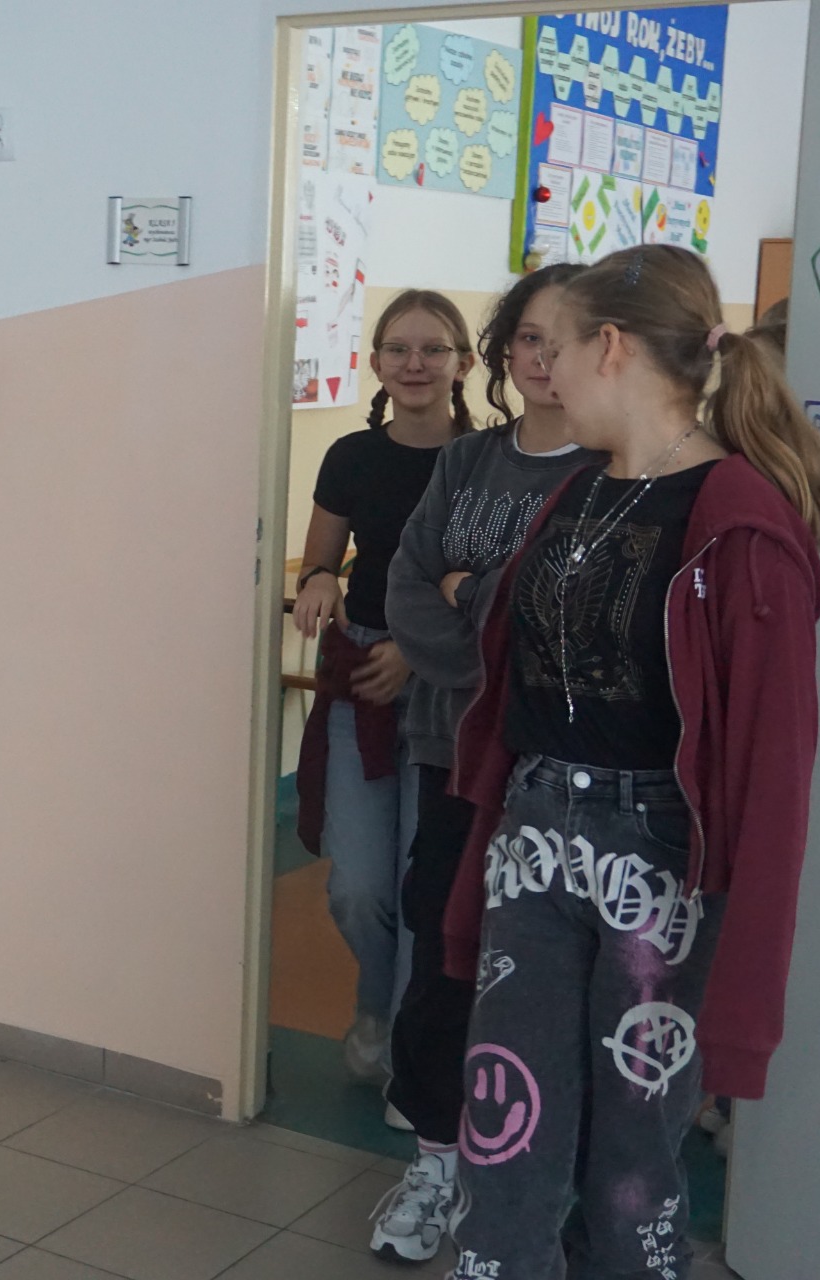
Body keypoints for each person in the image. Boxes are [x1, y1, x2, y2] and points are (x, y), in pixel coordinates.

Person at [437, 245, 820, 1280]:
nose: (542, 370)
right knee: (504, 1127)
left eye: (553, 346)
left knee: (634, 1161)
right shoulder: (577, 491)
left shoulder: (739, 525)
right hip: (535, 843)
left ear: (611, 347)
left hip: (659, 864)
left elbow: (772, 774)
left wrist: (745, 990)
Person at [367, 264, 606, 1264]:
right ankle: (436, 1159)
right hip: (450, 751)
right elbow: (406, 582)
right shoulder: (467, 461)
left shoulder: (610, 472)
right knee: (442, 952)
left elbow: (566, 623)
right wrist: (485, 630)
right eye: (528, 338)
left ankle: (534, 1180)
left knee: (546, 976)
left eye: (564, 338)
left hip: (554, 767)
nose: (543, 359)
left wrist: (474, 598)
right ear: (504, 353)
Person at [294, 290, 475, 1083]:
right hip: (362, 682)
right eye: (399, 349)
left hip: (447, 689)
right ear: (376, 363)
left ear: (464, 363)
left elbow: (486, 587)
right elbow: (321, 559)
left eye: (433, 349)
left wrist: (418, 647)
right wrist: (321, 579)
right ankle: (379, 1004)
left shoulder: (484, 460)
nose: (415, 364)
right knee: (360, 888)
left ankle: (407, 1051)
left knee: (422, 882)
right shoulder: (351, 456)